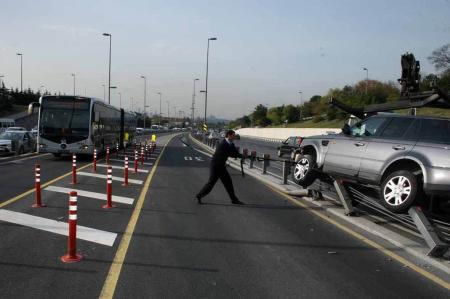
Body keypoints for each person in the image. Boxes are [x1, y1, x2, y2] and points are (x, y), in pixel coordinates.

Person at [196, 130, 245, 205]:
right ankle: (199, 195)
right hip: (215, 166)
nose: (234, 137)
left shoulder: (231, 144)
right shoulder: (223, 144)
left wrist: (243, 156)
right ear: (229, 135)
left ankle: (234, 200)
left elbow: (235, 154)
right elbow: (231, 153)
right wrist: (240, 156)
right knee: (211, 183)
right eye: (233, 135)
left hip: (221, 167)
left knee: (228, 183)